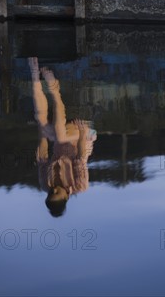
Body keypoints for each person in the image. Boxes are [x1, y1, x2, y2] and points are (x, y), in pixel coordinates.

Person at [28, 57, 97, 217]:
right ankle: (54, 89)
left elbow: (43, 156)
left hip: (62, 136)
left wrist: (42, 129)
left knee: (41, 119)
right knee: (59, 136)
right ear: (66, 196)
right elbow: (80, 158)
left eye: (50, 193)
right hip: (84, 137)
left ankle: (34, 75)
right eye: (57, 193)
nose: (53, 189)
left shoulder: (45, 184)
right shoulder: (80, 185)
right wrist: (81, 131)